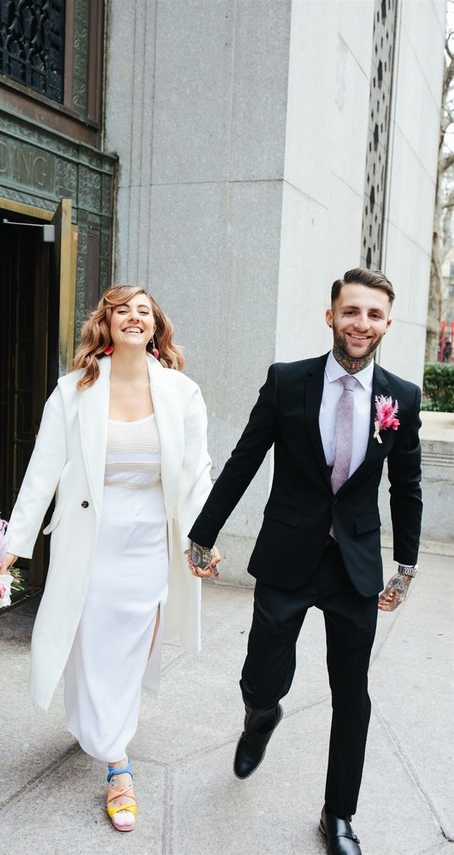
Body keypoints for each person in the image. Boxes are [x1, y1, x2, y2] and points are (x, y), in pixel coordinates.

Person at [188, 268, 422, 855]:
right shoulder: (288, 382)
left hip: (356, 567)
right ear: (331, 315)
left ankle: (338, 815)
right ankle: (262, 715)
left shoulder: (401, 398)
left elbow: (407, 486)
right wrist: (203, 534)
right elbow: (244, 459)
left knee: (353, 694)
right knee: (260, 675)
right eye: (351, 311)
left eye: (373, 314)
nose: (360, 323)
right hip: (288, 555)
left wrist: (407, 565)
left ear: (387, 323)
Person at [0, 285, 219, 832]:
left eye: (144, 311)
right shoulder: (73, 391)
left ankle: (113, 754)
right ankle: (108, 747)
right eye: (124, 310)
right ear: (106, 322)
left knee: (126, 644)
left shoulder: (181, 392)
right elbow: (41, 472)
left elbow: (196, 474)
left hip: (148, 541)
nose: (135, 318)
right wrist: (12, 547)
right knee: (89, 638)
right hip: (89, 539)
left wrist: (203, 539)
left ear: (155, 326)